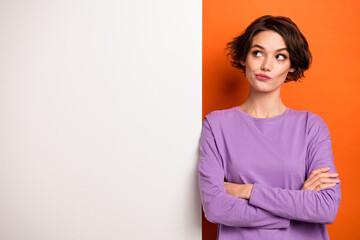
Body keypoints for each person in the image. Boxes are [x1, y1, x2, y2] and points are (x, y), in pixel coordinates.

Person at [198, 15, 341, 240]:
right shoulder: (216, 125)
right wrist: (297, 208)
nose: (266, 65)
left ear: (292, 66)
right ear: (244, 58)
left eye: (280, 56)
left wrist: (247, 191)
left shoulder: (311, 126)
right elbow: (216, 207)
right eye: (257, 52)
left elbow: (326, 207)